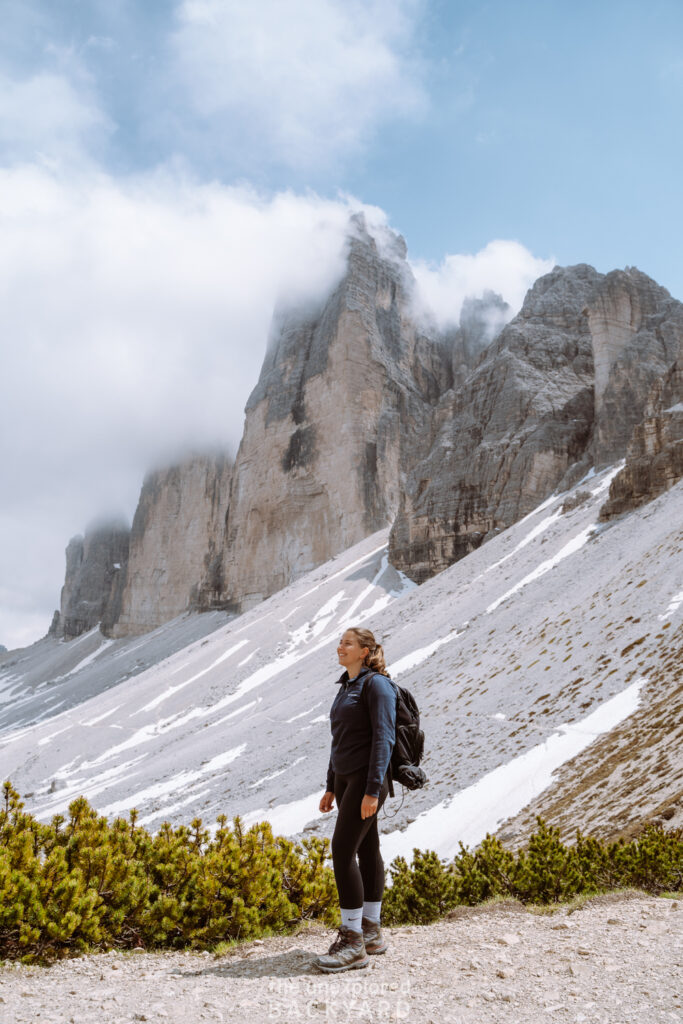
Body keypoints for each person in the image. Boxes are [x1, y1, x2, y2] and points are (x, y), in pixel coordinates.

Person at [312, 626, 396, 973]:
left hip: (366, 780)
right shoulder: (346, 686)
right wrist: (331, 784)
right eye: (339, 642)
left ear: (364, 651)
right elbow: (340, 739)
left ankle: (352, 941)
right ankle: (371, 931)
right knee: (366, 848)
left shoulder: (376, 685)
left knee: (342, 851)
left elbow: (384, 738)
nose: (339, 647)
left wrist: (373, 790)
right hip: (346, 780)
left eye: (347, 643)